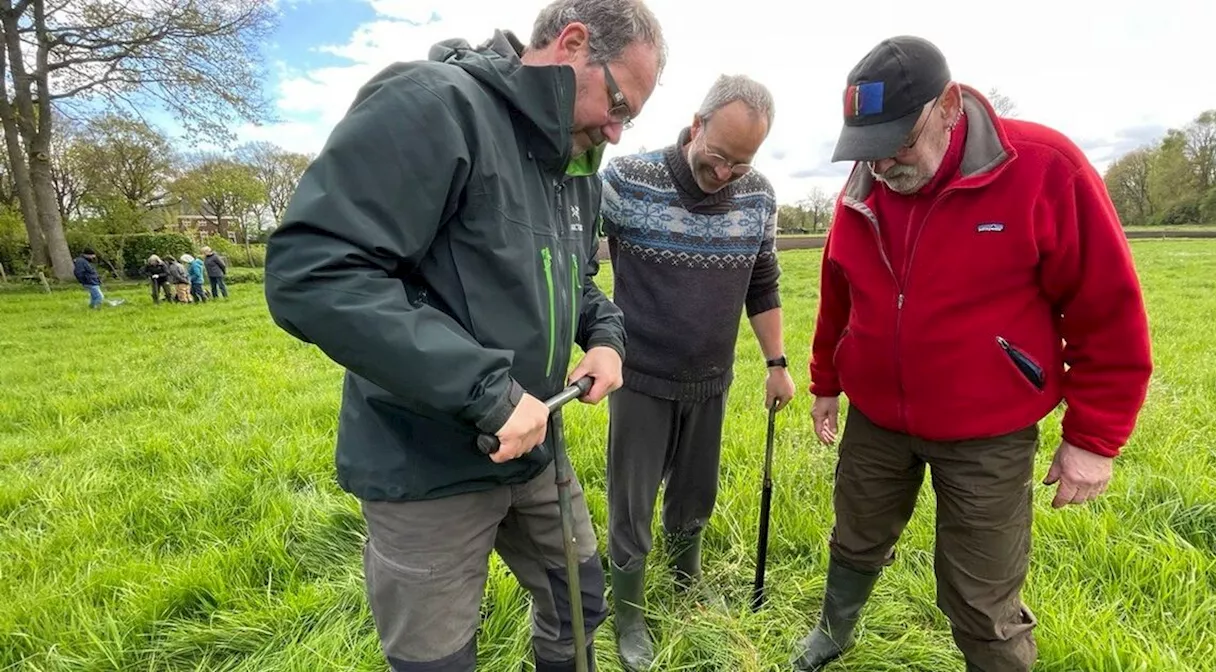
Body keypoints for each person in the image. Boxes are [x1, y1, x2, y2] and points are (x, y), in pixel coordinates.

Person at [262, 1, 665, 670]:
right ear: (571, 44)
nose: (618, 132)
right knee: (437, 660)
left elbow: (575, 281)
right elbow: (315, 272)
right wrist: (486, 392)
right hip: (425, 464)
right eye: (618, 101)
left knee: (581, 602)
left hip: (536, 446)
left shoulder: (576, 165)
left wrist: (606, 337)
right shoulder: (435, 106)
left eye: (632, 118)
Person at [795, 36, 1153, 672]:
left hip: (988, 431)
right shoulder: (865, 184)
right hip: (877, 420)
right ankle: (834, 630)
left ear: (950, 105)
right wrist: (826, 380)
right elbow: (838, 292)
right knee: (855, 538)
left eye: (897, 145)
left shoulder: (1046, 168)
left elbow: (1109, 309)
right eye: (867, 151)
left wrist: (1095, 438)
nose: (881, 167)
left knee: (980, 595)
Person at [598, 74, 794, 670]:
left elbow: (763, 283)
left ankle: (687, 584)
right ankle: (629, 612)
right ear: (696, 125)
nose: (726, 173)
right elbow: (577, 267)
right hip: (639, 378)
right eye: (718, 157)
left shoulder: (758, 196)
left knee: (695, 494)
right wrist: (596, 342)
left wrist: (777, 363)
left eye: (741, 162)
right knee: (631, 503)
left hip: (712, 378)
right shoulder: (627, 181)